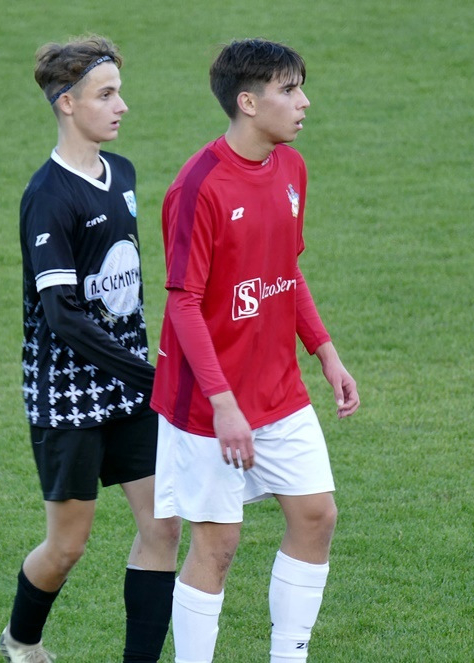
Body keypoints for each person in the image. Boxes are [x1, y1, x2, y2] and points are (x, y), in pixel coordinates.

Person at [151, 39, 360, 663]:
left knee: (317, 516)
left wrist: (324, 351)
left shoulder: (291, 169)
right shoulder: (198, 186)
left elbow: (285, 272)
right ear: (248, 102)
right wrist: (223, 404)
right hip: (206, 404)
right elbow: (183, 303)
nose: (304, 102)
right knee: (217, 546)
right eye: (288, 90)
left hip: (277, 390)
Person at [1, 35, 181, 663]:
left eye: (118, 92)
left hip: (130, 389)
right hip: (70, 395)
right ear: (67, 104)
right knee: (68, 546)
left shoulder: (121, 173)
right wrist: (151, 374)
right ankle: (21, 641)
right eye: (106, 95)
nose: (121, 106)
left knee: (163, 526)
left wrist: (145, 374)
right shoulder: (49, 197)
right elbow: (63, 317)